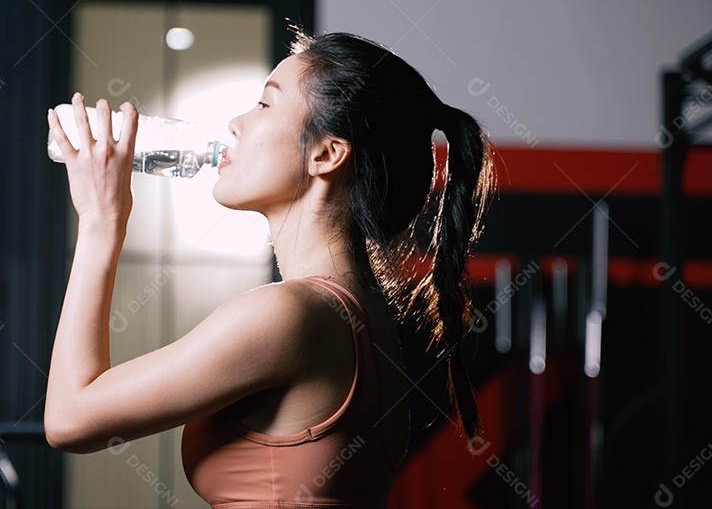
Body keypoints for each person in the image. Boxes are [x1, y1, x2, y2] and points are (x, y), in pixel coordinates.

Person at [43, 31, 495, 508]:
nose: (235, 124)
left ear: (326, 154)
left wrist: (99, 223)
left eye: (264, 105)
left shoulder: (292, 314)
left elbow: (71, 419)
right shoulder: (359, 315)